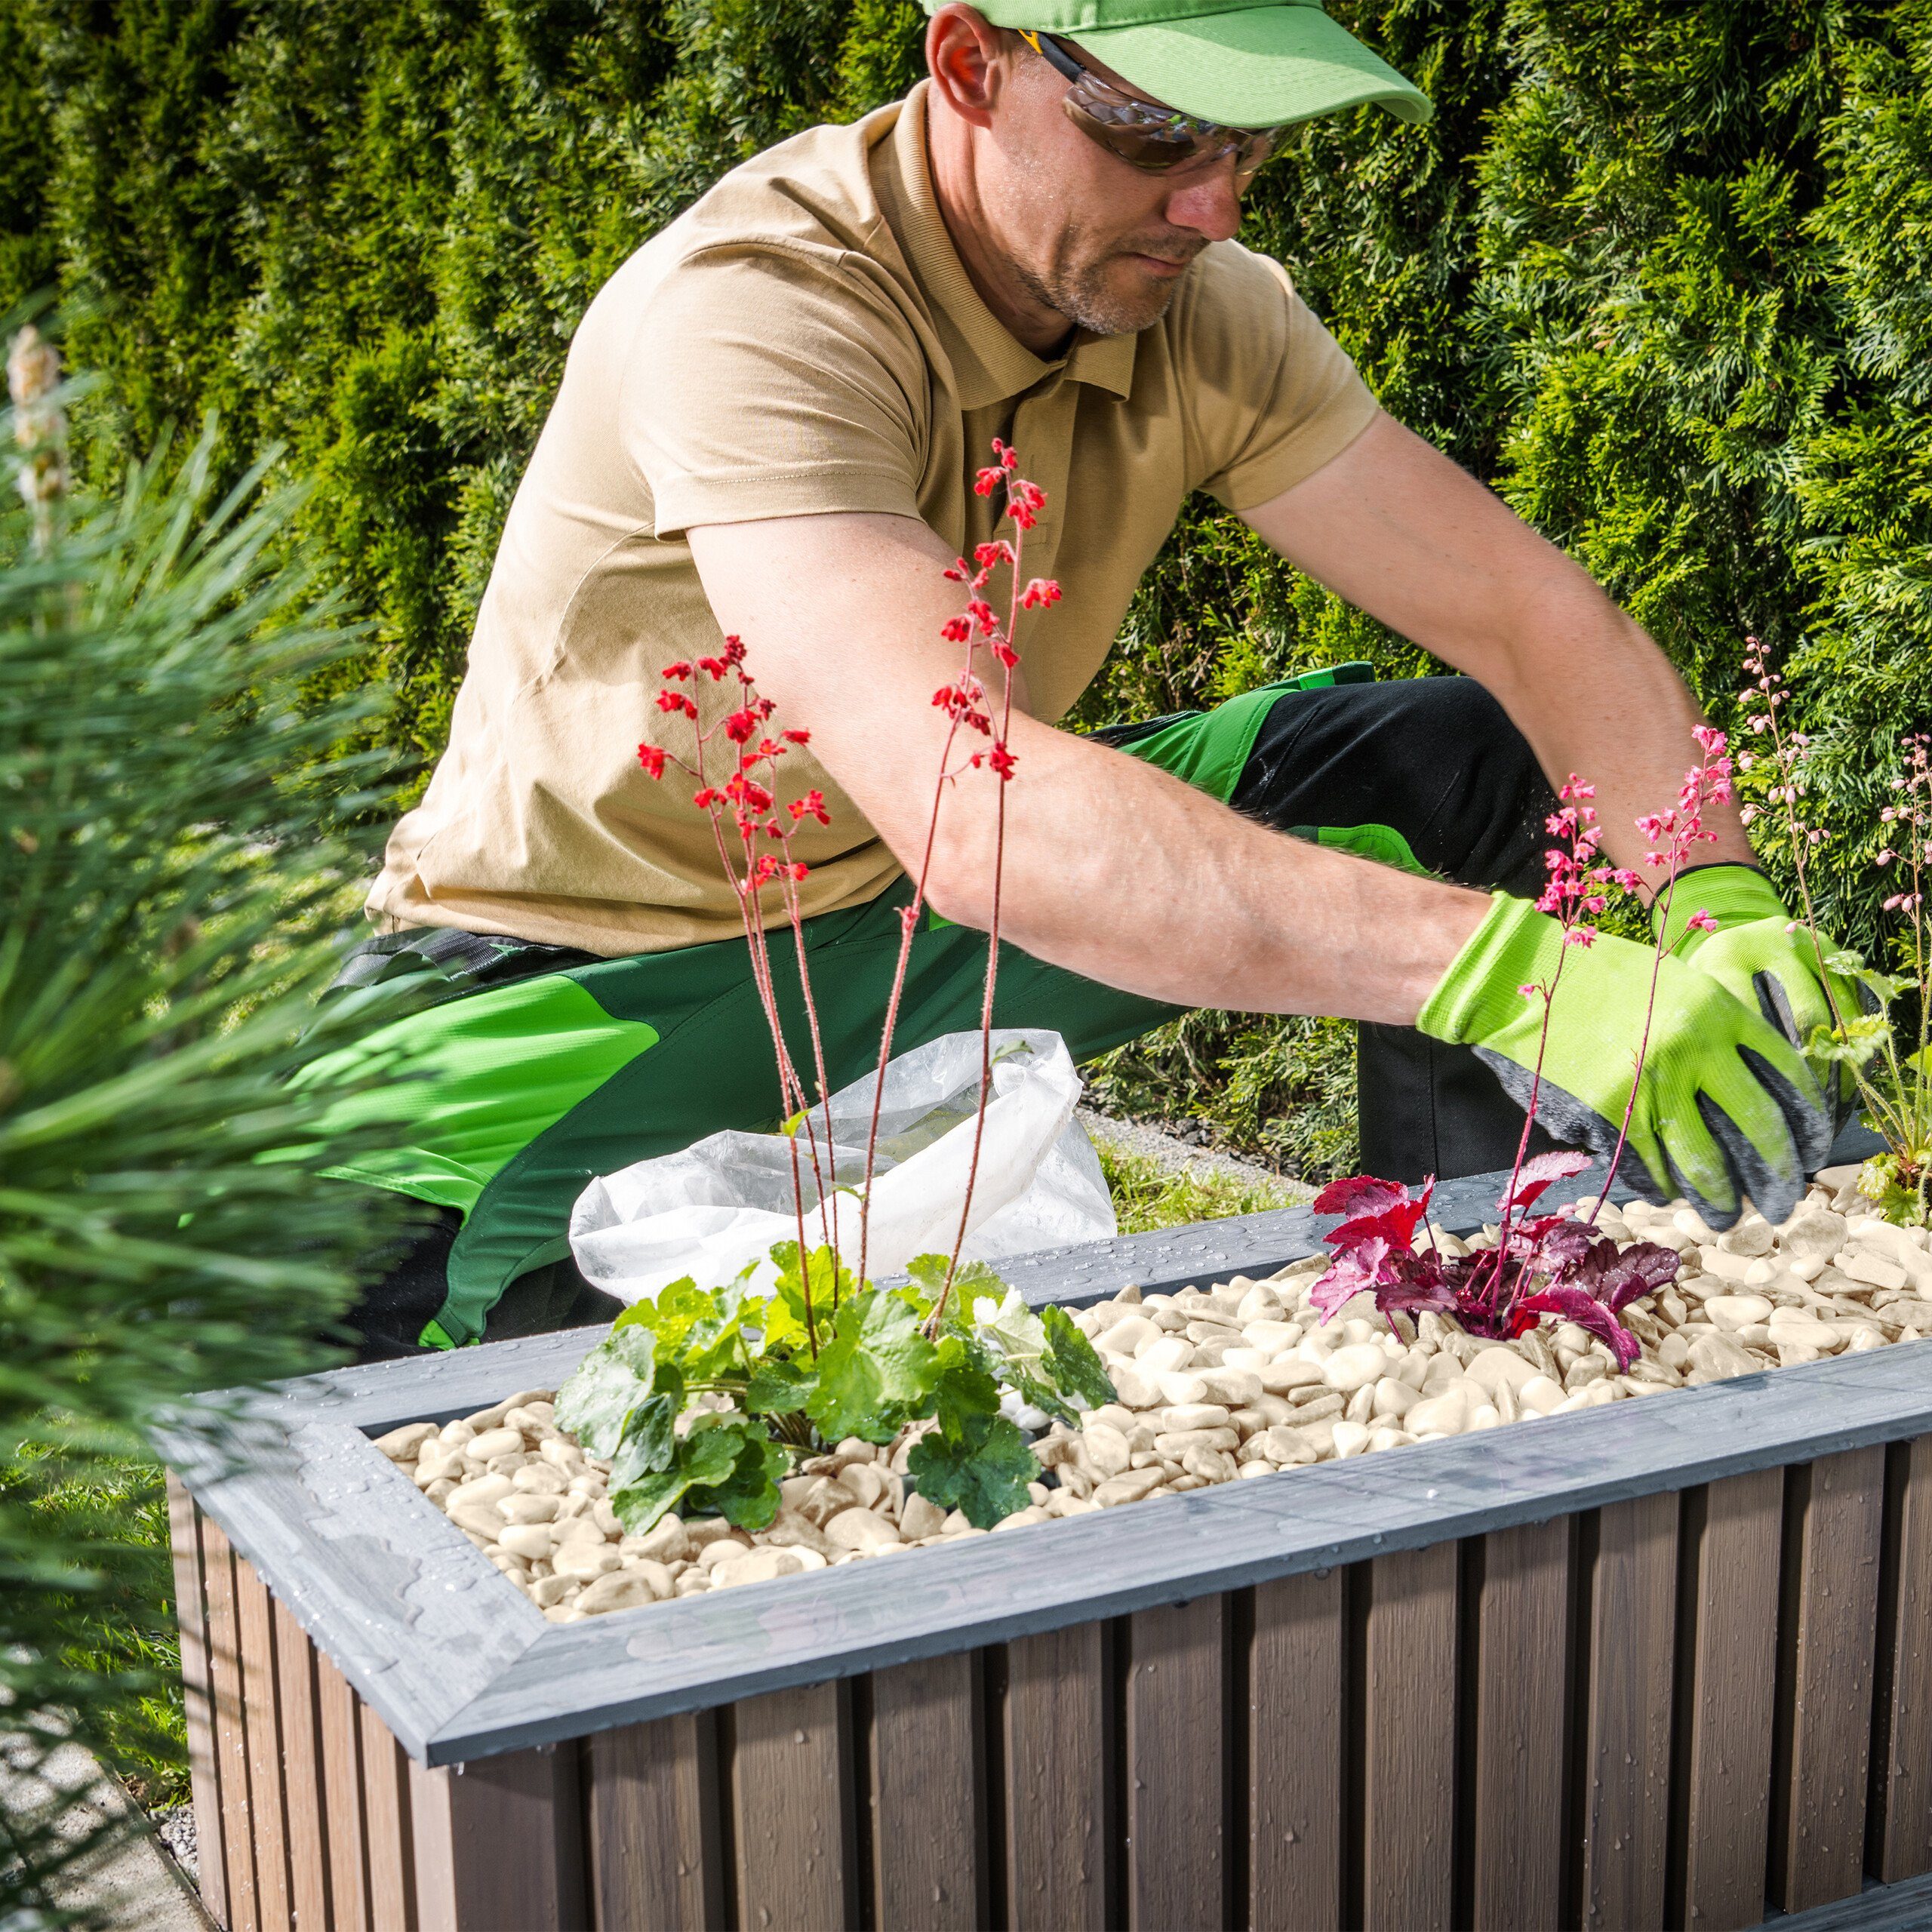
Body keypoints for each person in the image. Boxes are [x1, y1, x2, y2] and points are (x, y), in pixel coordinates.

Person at [309, 0, 1854, 1359]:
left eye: (1248, 141)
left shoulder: (1206, 309)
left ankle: (1501, 1321)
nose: (1207, 198)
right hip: (583, 974)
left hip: (914, 918)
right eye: (1151, 129)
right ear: (968, 64)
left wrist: (1715, 902)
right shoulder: (761, 308)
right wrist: (1527, 976)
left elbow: (1536, 627)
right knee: (358, 1423)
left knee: (1461, 764)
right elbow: (977, 811)